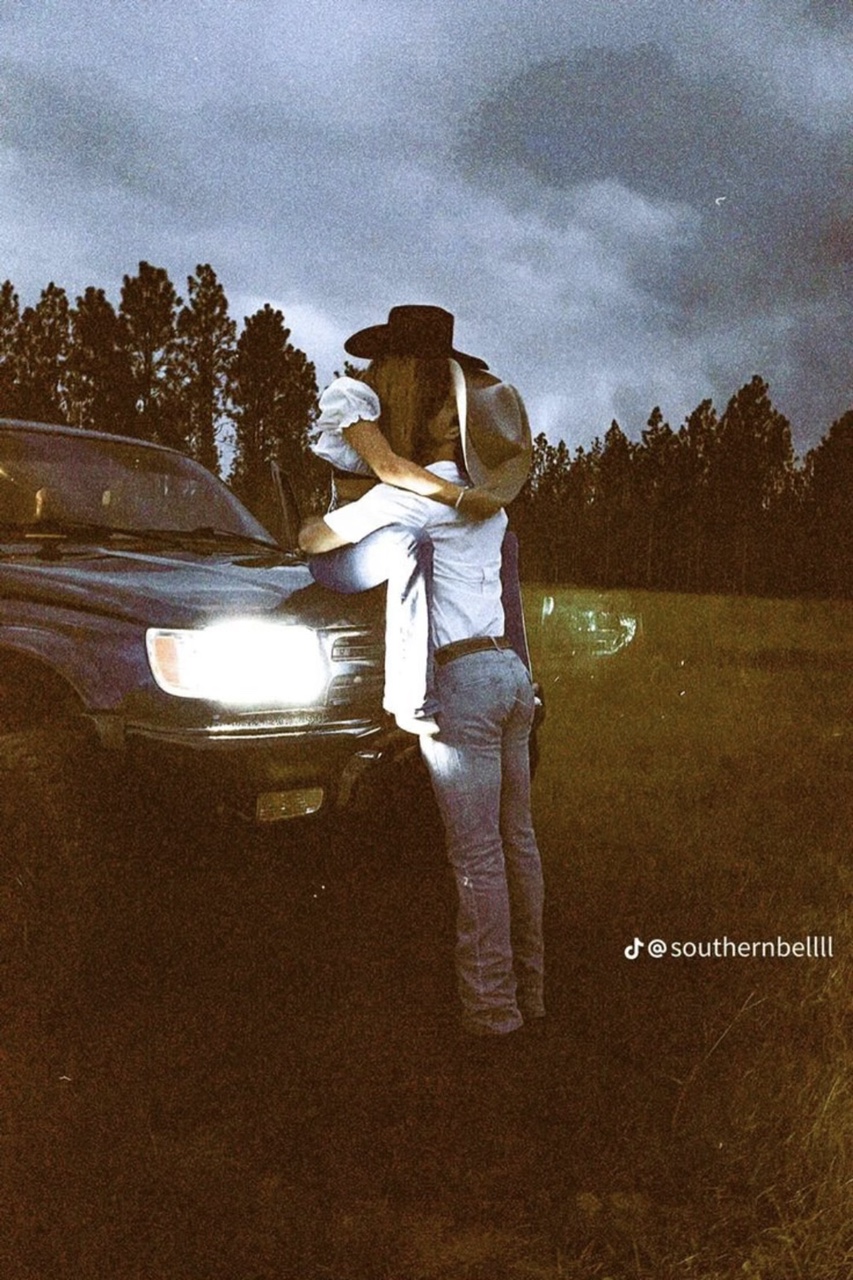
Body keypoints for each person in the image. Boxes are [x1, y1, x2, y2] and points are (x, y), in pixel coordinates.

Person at [299, 327, 544, 1040]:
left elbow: (317, 543)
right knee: (518, 843)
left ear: (439, 418)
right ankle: (532, 994)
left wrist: (315, 523)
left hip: (462, 680)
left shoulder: (407, 499)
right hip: (510, 674)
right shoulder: (488, 501)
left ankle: (491, 1013)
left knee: (475, 859)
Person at [306, 305, 531, 735]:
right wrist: (462, 499)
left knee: (503, 543)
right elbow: (389, 468)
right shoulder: (354, 398)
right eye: (429, 375)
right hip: (348, 540)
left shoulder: (414, 422)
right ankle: (411, 695)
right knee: (406, 543)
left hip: (383, 522)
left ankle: (519, 668)